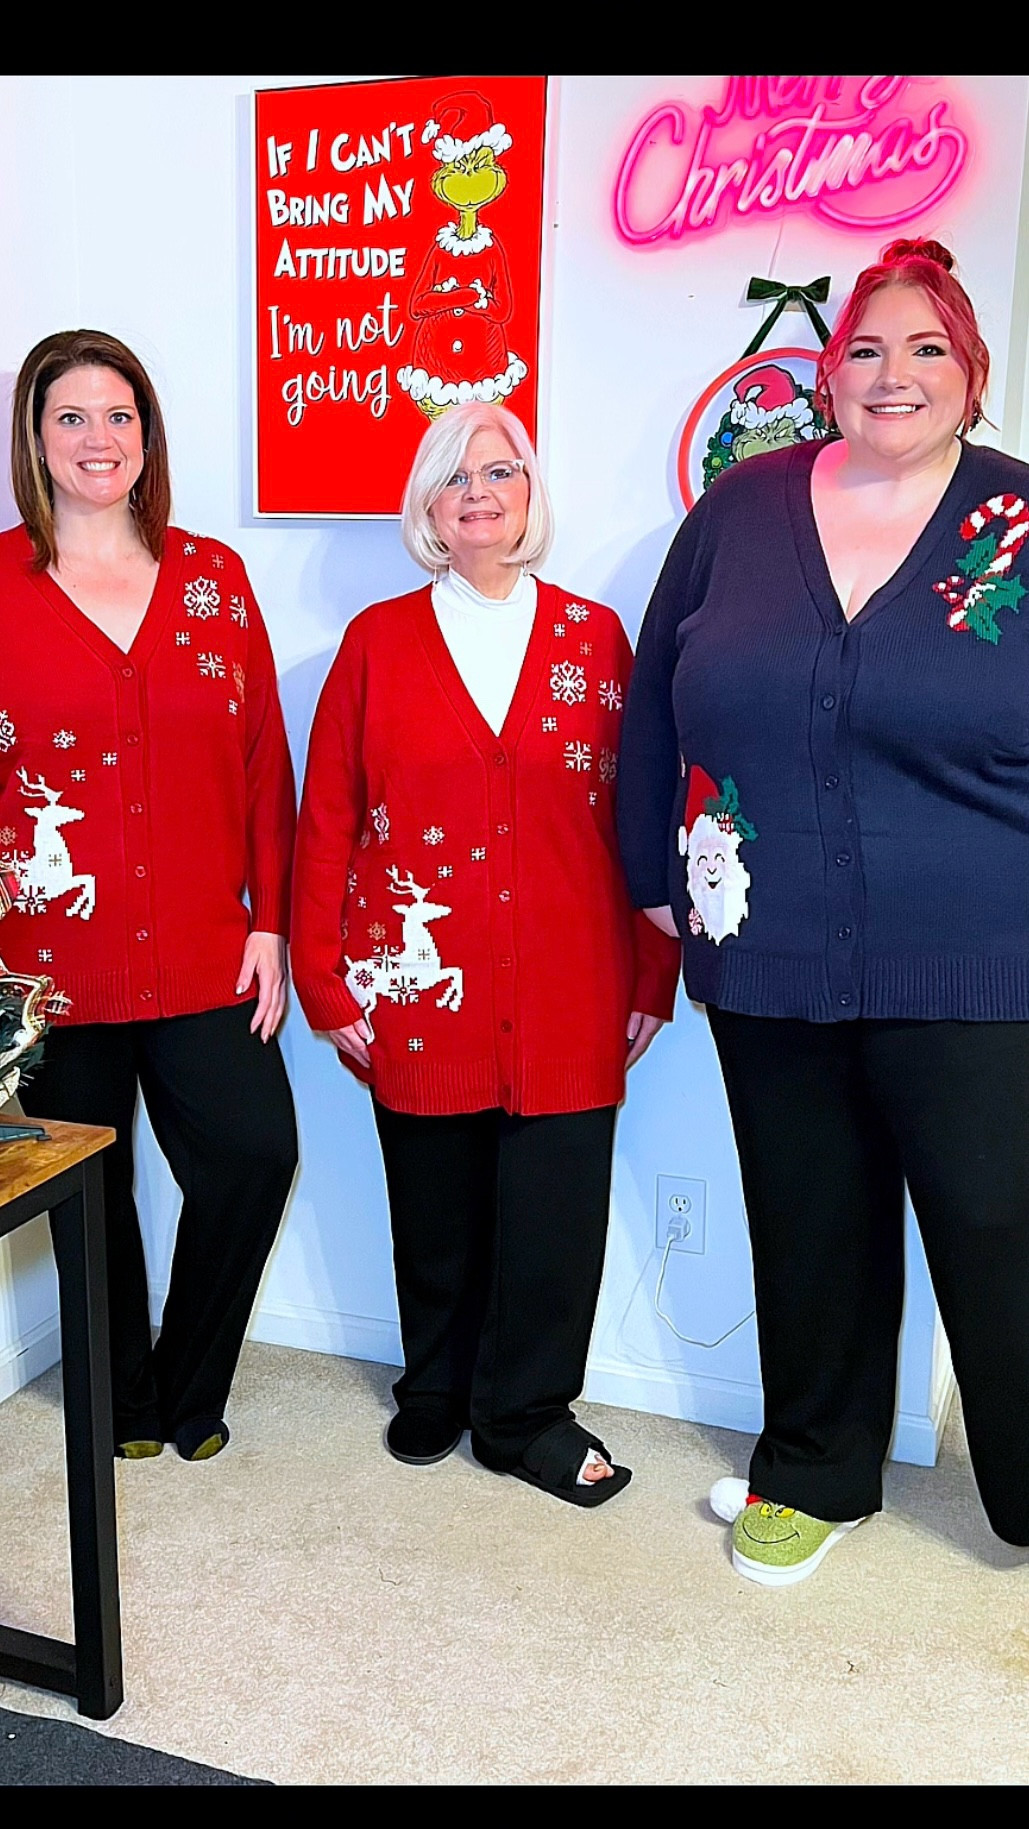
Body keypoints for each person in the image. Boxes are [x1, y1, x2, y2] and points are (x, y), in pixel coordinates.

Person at [617, 238, 1029, 1583]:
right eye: (866, 347)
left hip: (978, 955)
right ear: (829, 372)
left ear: (971, 371)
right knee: (806, 1219)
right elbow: (657, 702)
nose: (892, 373)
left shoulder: (1018, 518)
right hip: (769, 947)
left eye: (926, 347)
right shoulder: (740, 511)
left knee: (997, 1226)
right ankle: (816, 1468)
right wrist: (651, 877)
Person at [292, 401, 679, 1505]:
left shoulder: (594, 639)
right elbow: (329, 819)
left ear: (529, 492)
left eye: (500, 471)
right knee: (434, 1203)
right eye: (455, 476)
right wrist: (322, 978)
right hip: (418, 981)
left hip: (572, 979)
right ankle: (438, 1381)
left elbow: (642, 813)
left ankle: (528, 1412)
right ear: (427, 504)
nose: (478, 493)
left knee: (556, 1216)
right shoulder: (375, 643)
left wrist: (654, 971)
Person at [0, 329, 298, 1462]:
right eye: (71, 416)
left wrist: (271, 919)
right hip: (48, 966)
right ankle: (121, 1399)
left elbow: (264, 759)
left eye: (118, 415)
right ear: (35, 439)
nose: (98, 438)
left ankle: (188, 1381)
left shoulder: (213, 577)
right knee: (92, 1182)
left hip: (205, 947)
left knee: (254, 1152)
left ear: (147, 434)